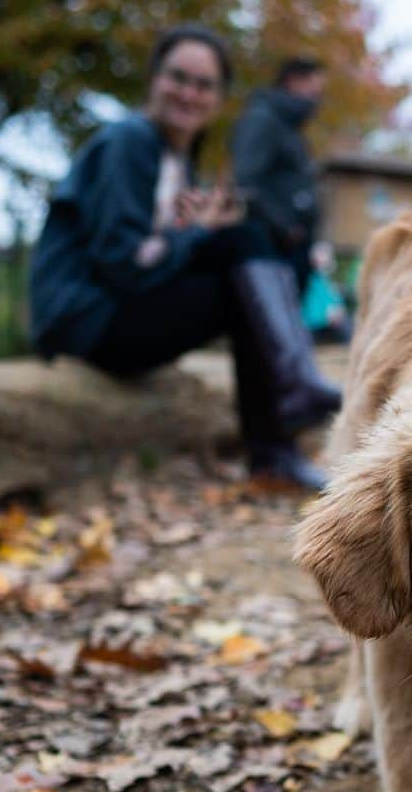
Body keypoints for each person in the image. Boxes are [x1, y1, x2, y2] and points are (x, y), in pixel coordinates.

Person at [29, 26, 340, 491]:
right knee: (241, 243)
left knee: (241, 241)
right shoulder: (129, 142)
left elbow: (155, 252)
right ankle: (284, 414)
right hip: (85, 320)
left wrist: (190, 234)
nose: (189, 93)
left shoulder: (175, 159)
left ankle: (288, 409)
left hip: (119, 309)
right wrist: (197, 235)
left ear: (218, 98)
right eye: (178, 77)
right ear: (154, 79)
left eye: (204, 85)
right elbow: (122, 264)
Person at [231, 57, 326, 294]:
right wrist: (285, 227)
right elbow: (246, 180)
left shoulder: (289, 129)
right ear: (293, 81)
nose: (317, 100)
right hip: (273, 249)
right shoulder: (262, 120)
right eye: (313, 92)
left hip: (292, 249)